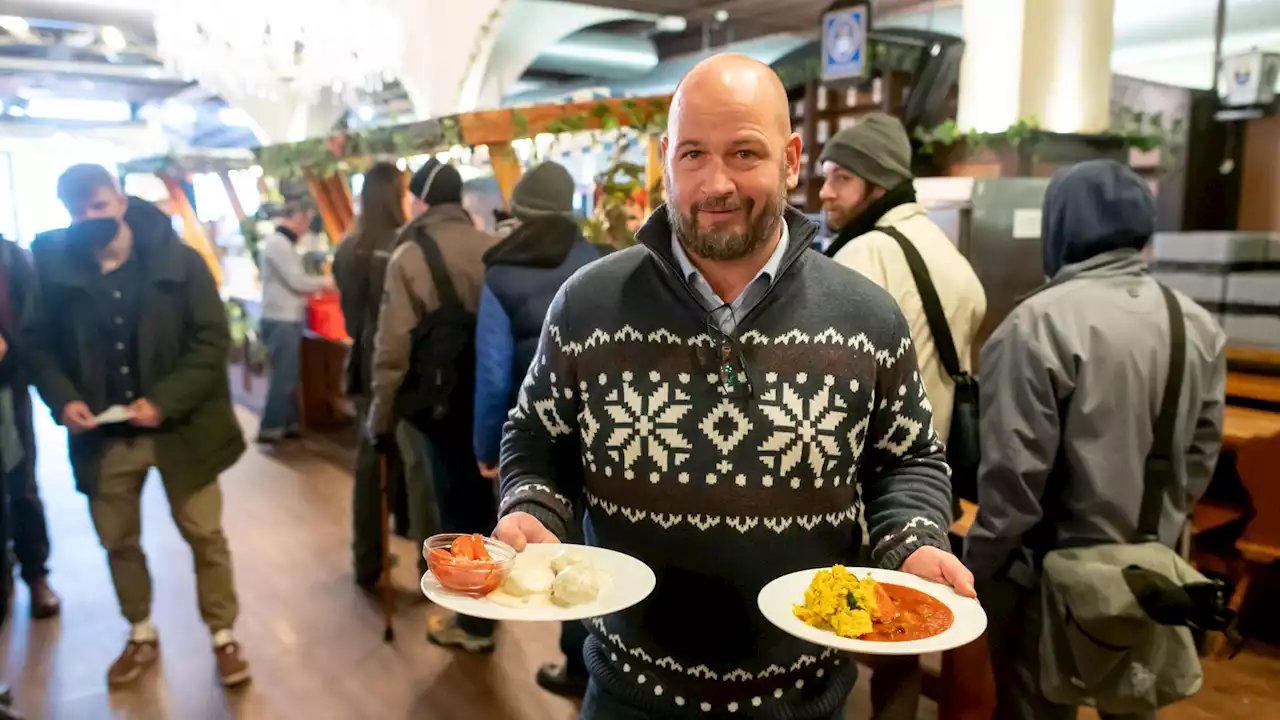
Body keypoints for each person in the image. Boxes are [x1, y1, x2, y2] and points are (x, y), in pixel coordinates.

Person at [494, 53, 971, 718]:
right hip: (630, 698)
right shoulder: (587, 306)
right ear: (666, 159)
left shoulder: (868, 318)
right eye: (692, 154)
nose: (715, 182)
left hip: (803, 699)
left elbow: (907, 458)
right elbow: (537, 437)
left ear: (792, 158)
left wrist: (915, 539)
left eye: (744, 153)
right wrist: (531, 505)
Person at [964, 160, 1226, 720]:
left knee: (1034, 708)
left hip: (1044, 575)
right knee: (1133, 699)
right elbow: (1201, 456)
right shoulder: (1197, 324)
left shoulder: (1034, 325)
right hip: (1151, 568)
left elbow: (1013, 481)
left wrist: (979, 567)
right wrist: (1157, 533)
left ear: (1060, 227)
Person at [28, 164, 249, 687]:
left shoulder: (179, 261)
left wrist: (166, 400)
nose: (89, 219)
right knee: (118, 539)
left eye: (99, 207)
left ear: (121, 202)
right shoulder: (55, 268)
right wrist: (64, 400)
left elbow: (211, 341)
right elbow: (39, 348)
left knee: (205, 534)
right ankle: (141, 631)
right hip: (105, 438)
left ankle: (224, 635)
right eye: (78, 212)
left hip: (182, 431)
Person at [819, 113, 987, 720]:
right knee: (906, 629)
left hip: (870, 479)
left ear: (878, 183)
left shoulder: (863, 254)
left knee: (862, 625)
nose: (825, 192)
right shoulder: (950, 253)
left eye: (841, 178)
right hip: (926, 480)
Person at [472, 161, 607, 697]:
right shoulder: (601, 261)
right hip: (599, 435)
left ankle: (571, 657)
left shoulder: (500, 273)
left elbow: (493, 371)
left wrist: (488, 449)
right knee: (589, 546)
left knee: (542, 539)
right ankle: (587, 664)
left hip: (532, 441)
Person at [369, 158, 496, 650]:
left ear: (419, 200)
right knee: (483, 504)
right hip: (487, 398)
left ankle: (472, 623)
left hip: (438, 406)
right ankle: (487, 607)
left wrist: (380, 419)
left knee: (454, 508)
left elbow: (391, 349)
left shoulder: (408, 256)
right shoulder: (493, 247)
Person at [334, 162, 414, 590]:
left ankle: (367, 559)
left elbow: (350, 318)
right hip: (402, 366)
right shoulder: (403, 245)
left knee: (370, 467)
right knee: (412, 463)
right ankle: (428, 561)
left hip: (363, 363)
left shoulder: (348, 248)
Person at [0, 234, 60, 620]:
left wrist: (10, 345)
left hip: (9, 388)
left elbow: (36, 325)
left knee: (21, 486)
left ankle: (36, 575)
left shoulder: (11, 257)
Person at [257, 201, 332, 444]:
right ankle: (271, 427)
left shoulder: (280, 244)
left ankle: (289, 424)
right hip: (282, 319)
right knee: (284, 375)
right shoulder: (279, 245)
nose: (306, 229)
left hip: (283, 317)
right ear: (298, 217)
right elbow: (297, 281)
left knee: (288, 373)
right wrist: (327, 281)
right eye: (306, 221)